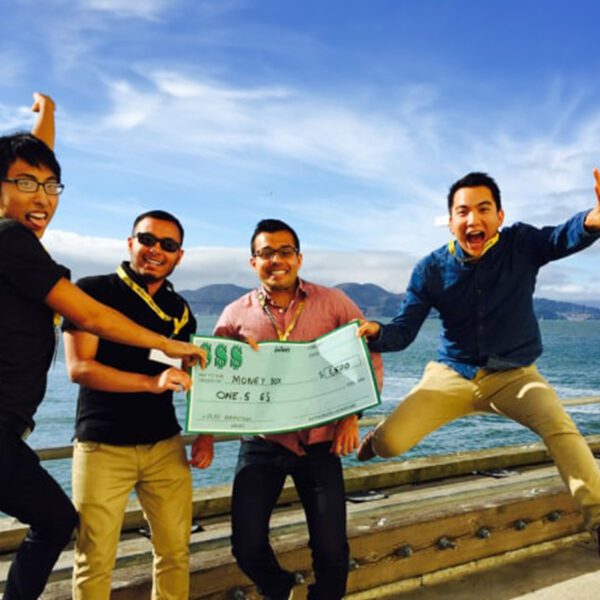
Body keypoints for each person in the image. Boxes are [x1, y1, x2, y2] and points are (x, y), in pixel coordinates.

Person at [0, 94, 205, 600]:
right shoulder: (11, 241)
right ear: (129, 242)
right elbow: (87, 331)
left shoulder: (18, 241)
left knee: (56, 520)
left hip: (17, 433)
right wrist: (162, 348)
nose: (42, 197)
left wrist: (48, 115)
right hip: (87, 441)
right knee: (69, 533)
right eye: (26, 185)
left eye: (51, 187)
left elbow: (28, 167)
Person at [357, 170, 600, 547]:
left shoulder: (521, 244)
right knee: (390, 445)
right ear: (451, 220)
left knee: (562, 428)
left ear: (499, 217)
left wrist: (592, 219)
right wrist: (376, 333)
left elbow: (560, 236)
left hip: (515, 376)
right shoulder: (430, 269)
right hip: (451, 374)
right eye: (463, 211)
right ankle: (379, 437)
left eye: (484, 209)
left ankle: (598, 519)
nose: (473, 219)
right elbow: (403, 331)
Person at [191, 219, 383, 600]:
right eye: (266, 253)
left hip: (321, 443)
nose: (276, 260)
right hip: (263, 442)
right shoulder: (234, 314)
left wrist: (351, 416)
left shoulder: (335, 302)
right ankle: (278, 587)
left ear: (298, 258)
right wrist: (206, 434)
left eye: (284, 252)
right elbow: (213, 377)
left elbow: (368, 358)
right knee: (245, 545)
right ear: (253, 262)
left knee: (331, 549)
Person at [63, 210, 206, 600]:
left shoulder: (181, 310)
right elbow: (79, 368)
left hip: (165, 445)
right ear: (130, 243)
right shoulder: (93, 290)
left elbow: (184, 373)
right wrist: (150, 382)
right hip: (102, 445)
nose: (156, 250)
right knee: (94, 558)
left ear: (180, 255)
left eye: (168, 245)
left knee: (175, 552)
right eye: (147, 240)